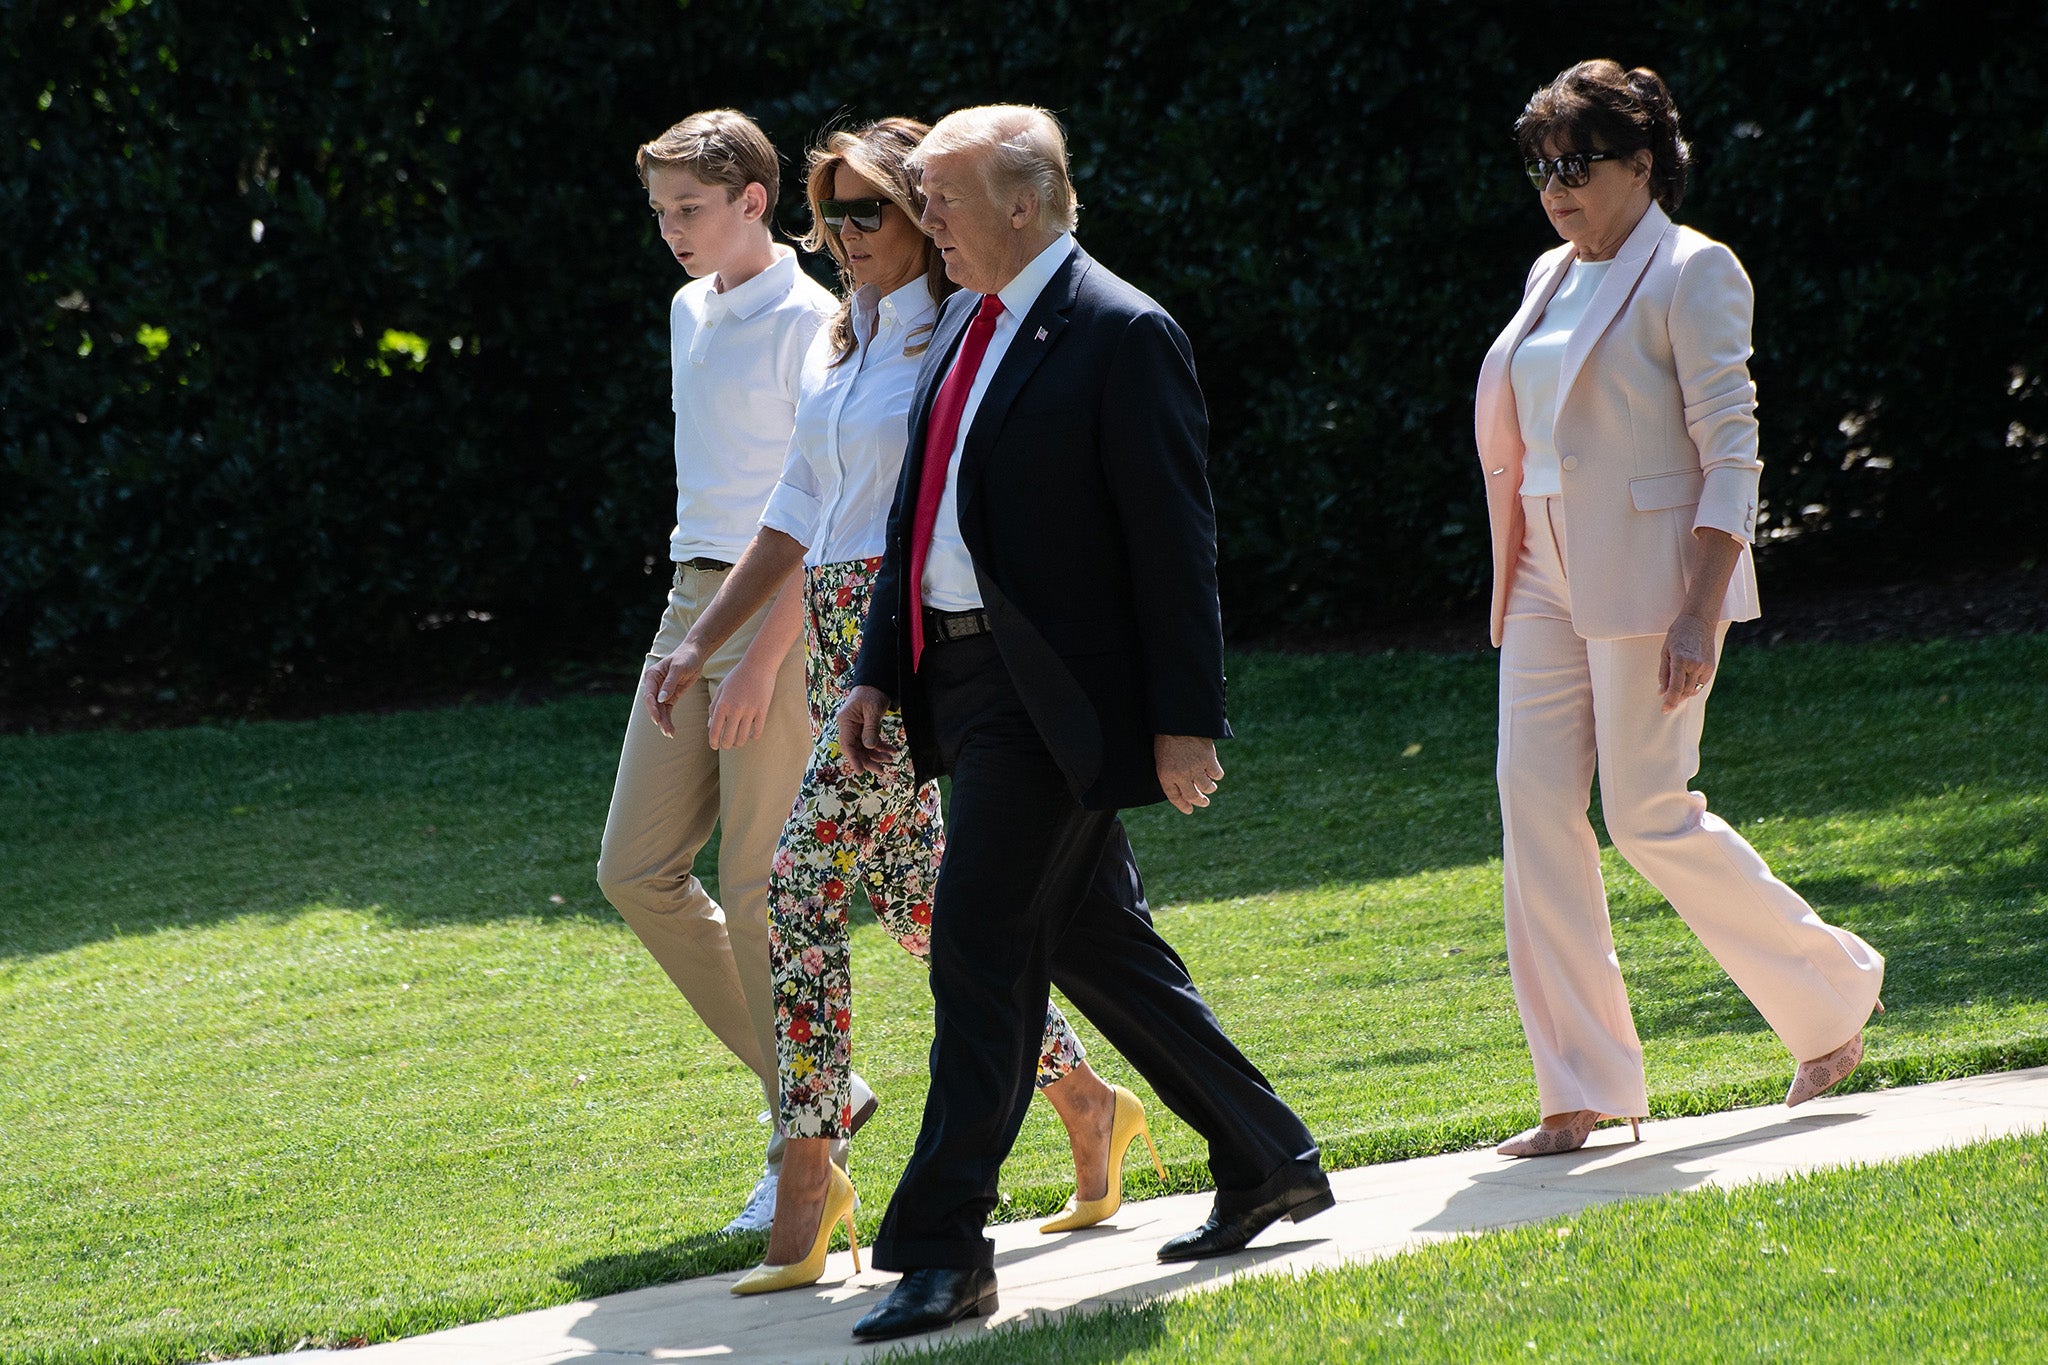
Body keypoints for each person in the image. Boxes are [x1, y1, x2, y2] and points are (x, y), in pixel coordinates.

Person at [832, 106, 1329, 1345]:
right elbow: (919, 511)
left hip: (1053, 704)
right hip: (958, 685)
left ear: (1019, 200)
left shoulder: (1120, 330)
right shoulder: (964, 324)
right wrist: (872, 671)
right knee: (1097, 943)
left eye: (936, 196)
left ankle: (944, 1245)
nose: (919, 217)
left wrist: (1182, 723)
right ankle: (1267, 1155)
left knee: (979, 951)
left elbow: (1175, 548)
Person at [636, 117, 1153, 1297]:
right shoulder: (842, 338)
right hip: (838, 640)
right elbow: (794, 503)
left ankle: (807, 1166)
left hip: (917, 641)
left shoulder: (961, 334)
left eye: (868, 210)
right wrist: (701, 644)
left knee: (800, 880)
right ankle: (1088, 1102)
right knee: (923, 909)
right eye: (831, 216)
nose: (844, 236)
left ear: (927, 216)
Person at [1473, 61, 1886, 1158]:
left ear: (1642, 164)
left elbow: (1731, 450)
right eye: (1540, 167)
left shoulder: (1692, 269)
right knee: (1531, 808)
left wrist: (1700, 608)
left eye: (1576, 165)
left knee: (1646, 812)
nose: (1554, 188)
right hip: (1541, 576)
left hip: (1651, 577)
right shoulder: (1545, 273)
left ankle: (1831, 992)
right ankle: (1578, 1086)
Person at [594, 108, 846, 1234]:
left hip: (773, 612)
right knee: (633, 869)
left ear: (754, 201)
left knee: (756, 888)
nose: (672, 233)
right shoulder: (687, 308)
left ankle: (802, 1132)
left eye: (688, 209)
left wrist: (763, 664)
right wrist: (698, 640)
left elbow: (822, 509)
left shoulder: (815, 320)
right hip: (686, 602)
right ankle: (823, 1092)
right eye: (658, 213)